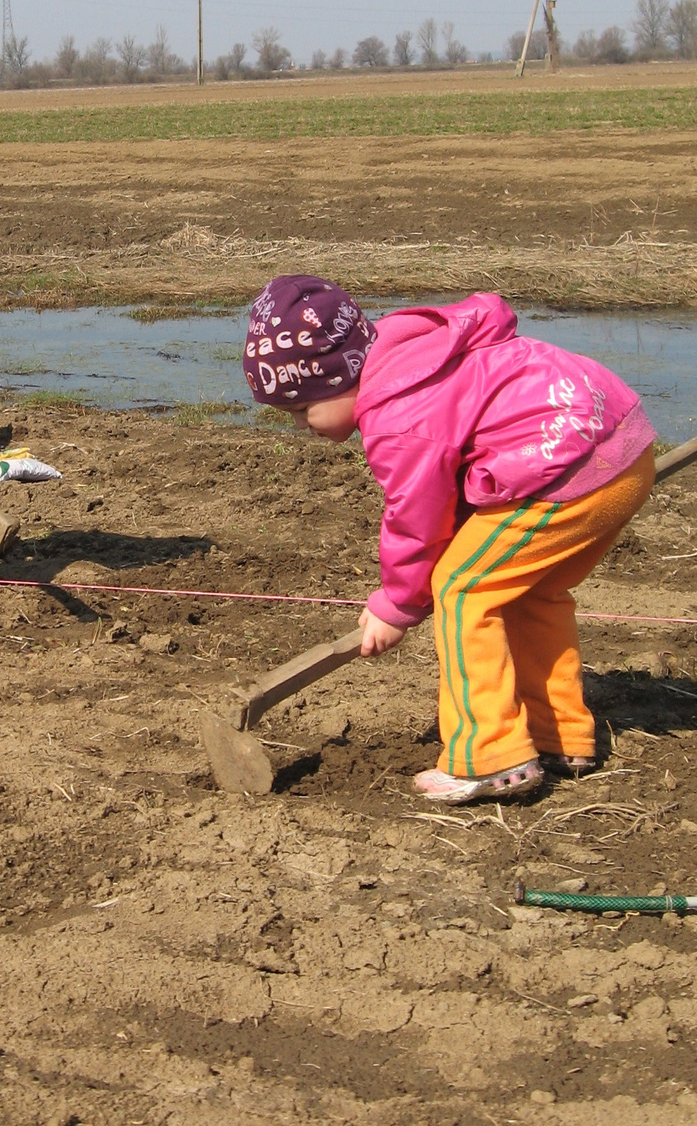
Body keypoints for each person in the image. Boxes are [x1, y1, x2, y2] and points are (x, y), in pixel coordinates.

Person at [242, 276, 655, 804]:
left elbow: (417, 519)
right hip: (618, 448)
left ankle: (490, 755)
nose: (300, 425)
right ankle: (559, 733)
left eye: (302, 409)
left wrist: (397, 603)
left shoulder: (397, 417)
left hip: (565, 472)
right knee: (527, 591)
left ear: (340, 376)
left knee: (461, 590)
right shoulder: (414, 357)